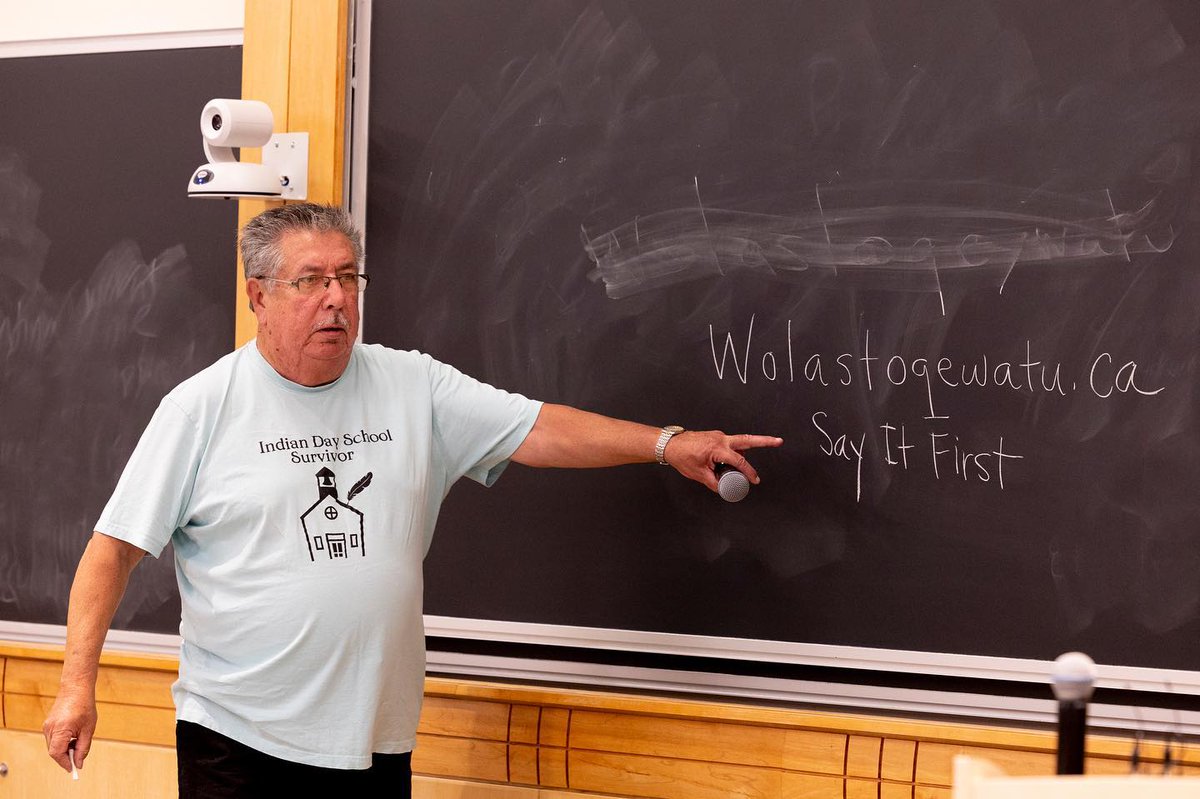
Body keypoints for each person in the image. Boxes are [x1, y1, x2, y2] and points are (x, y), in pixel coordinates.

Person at [42, 202, 782, 796]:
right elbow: (113, 549)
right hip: (238, 737)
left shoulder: (412, 384)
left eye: (348, 278)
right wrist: (78, 685)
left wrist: (667, 442)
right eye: (310, 281)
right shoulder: (201, 408)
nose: (336, 298)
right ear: (258, 295)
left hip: (373, 738)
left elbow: (539, 428)